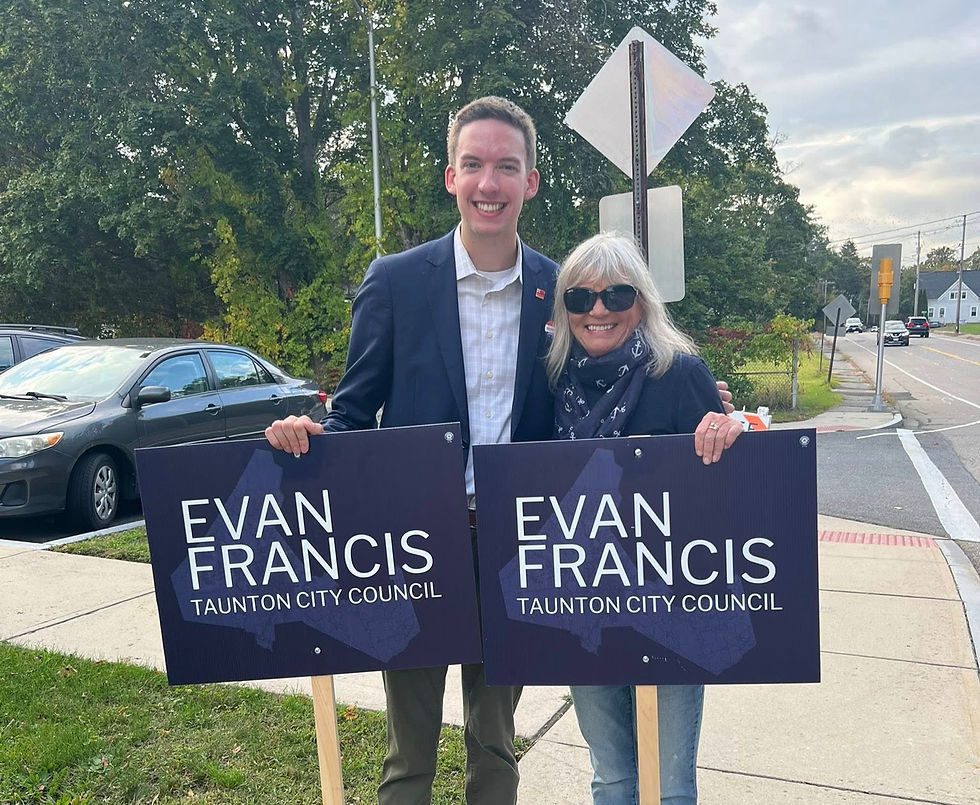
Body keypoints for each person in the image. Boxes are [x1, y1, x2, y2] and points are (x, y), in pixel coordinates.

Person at [265, 98, 733, 804]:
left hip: (518, 546)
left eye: (506, 166)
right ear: (451, 176)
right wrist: (308, 433)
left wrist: (711, 407)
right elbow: (355, 412)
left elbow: (622, 375)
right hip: (416, 544)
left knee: (494, 745)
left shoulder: (562, 291)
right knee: (408, 753)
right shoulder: (394, 280)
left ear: (531, 181)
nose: (490, 182)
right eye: (475, 164)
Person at [545, 232, 743, 805]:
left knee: (671, 785)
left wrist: (735, 432)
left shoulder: (679, 373)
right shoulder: (548, 382)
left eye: (616, 294)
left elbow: (730, 483)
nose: (598, 310)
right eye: (580, 299)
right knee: (612, 778)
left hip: (675, 608)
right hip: (584, 604)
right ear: (565, 310)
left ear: (643, 300)